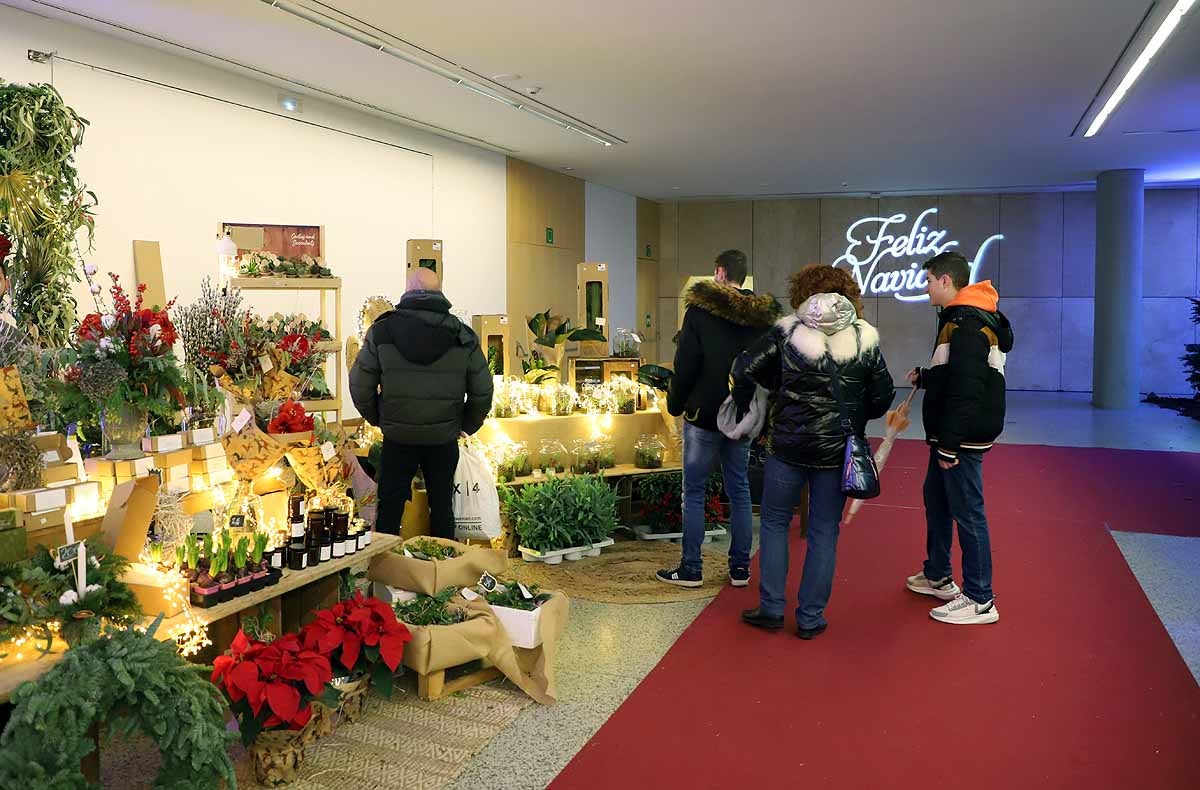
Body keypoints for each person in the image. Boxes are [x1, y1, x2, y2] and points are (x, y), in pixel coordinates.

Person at [732, 265, 894, 638]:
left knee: (773, 523)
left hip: (787, 447)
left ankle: (771, 608)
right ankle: (810, 618)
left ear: (803, 293)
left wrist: (779, 388)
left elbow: (745, 368)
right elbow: (882, 396)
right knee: (824, 531)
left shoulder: (786, 331)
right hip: (837, 451)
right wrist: (853, 413)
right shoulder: (863, 338)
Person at [655, 249, 780, 588]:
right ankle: (740, 568)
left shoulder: (699, 313)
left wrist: (675, 403)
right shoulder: (762, 318)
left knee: (693, 490)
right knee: (738, 487)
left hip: (704, 414)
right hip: (741, 416)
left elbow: (686, 365)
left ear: (720, 273)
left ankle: (691, 568)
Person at [905, 251, 1012, 625]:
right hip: (952, 434)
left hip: (961, 438)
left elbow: (969, 389)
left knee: (967, 511)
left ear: (946, 281)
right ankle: (938, 575)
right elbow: (957, 374)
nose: (927, 287)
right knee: (936, 499)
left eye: (929, 280)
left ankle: (981, 598)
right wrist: (927, 375)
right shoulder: (962, 318)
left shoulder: (967, 322)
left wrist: (950, 444)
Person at [349, 268, 493, 538]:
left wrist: (379, 417)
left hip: (398, 437)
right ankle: (442, 571)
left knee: (390, 506)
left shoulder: (382, 331)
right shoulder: (462, 334)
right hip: (443, 437)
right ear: (440, 291)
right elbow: (483, 390)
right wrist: (465, 425)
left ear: (407, 290)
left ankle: (387, 570)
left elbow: (360, 385)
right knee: (442, 508)